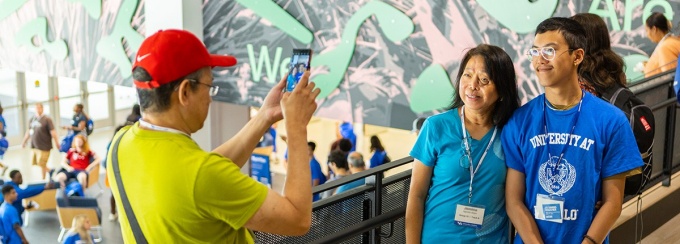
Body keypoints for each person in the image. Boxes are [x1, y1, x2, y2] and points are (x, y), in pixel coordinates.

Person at [107, 29, 319, 243]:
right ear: (185, 92)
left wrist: (264, 116)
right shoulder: (201, 175)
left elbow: (202, 176)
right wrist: (296, 126)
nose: (210, 99)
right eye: (209, 86)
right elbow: (298, 219)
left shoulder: (121, 143)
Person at [503, 18, 643, 244]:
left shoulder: (611, 120)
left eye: (550, 50)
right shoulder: (520, 121)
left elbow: (612, 202)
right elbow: (514, 200)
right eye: (535, 51)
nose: (540, 59)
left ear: (577, 56)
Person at [406, 44, 520, 243]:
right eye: (467, 75)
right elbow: (416, 195)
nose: (473, 85)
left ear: (502, 90)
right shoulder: (436, 127)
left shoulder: (510, 133)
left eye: (484, 79)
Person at [22, 103, 60, 180]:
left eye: (39, 108)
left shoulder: (47, 119)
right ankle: (50, 171)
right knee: (37, 163)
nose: (38, 109)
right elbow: (28, 131)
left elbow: (53, 132)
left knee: (42, 163)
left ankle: (44, 178)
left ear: (42, 109)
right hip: (35, 145)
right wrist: (24, 141)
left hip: (44, 145)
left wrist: (57, 142)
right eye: (36, 108)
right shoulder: (32, 119)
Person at [643, 12, 680, 77]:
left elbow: (670, 76)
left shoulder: (665, 47)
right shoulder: (670, 42)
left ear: (654, 29)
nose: (647, 35)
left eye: (647, 30)